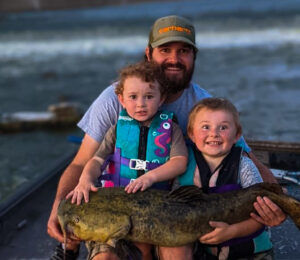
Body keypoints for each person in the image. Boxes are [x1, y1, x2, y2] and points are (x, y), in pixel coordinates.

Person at [48, 15, 286, 260]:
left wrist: (279, 202)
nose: (174, 59)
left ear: (194, 56)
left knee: (175, 251)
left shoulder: (204, 107)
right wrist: (60, 205)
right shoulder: (115, 98)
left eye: (183, 51)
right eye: (165, 50)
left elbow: (246, 157)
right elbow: (81, 162)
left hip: (172, 213)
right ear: (149, 54)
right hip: (114, 212)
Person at [65, 61, 188, 260]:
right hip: (116, 207)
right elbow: (96, 160)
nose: (141, 104)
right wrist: (85, 180)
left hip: (152, 209)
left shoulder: (171, 129)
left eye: (149, 97)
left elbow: (179, 161)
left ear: (161, 98)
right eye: (133, 97)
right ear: (121, 99)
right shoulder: (116, 129)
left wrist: (150, 177)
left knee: (145, 249)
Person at [179, 97, 273, 260]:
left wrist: (232, 232)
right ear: (191, 134)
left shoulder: (244, 166)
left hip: (250, 252)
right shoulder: (183, 165)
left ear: (237, 135)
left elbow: (262, 215)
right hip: (203, 252)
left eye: (223, 127)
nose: (214, 133)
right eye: (205, 127)